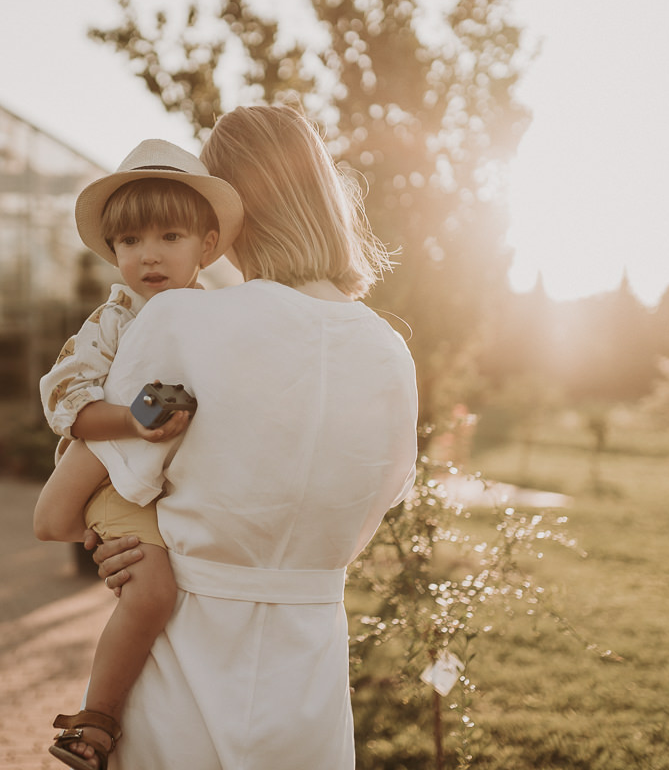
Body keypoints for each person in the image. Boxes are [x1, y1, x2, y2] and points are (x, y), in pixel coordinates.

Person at [53, 105, 419, 769]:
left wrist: (116, 534)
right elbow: (371, 504)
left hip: (186, 665)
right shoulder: (392, 354)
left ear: (228, 214)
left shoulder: (181, 321)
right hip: (309, 680)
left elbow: (79, 490)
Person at [33, 139, 244, 770]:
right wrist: (130, 419)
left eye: (169, 237)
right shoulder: (113, 321)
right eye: (129, 243)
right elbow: (64, 400)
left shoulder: (218, 315)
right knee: (152, 593)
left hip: (162, 485)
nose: (147, 256)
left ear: (206, 247)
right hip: (114, 483)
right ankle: (96, 721)